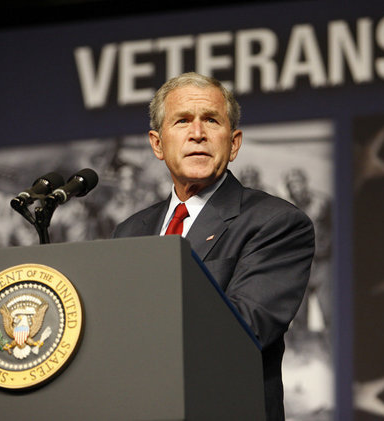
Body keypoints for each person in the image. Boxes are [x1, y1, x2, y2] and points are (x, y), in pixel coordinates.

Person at [112, 72, 315, 420]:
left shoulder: (276, 223)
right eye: (182, 121)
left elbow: (243, 329)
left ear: (233, 143)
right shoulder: (130, 231)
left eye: (211, 120)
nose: (197, 134)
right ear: (157, 144)